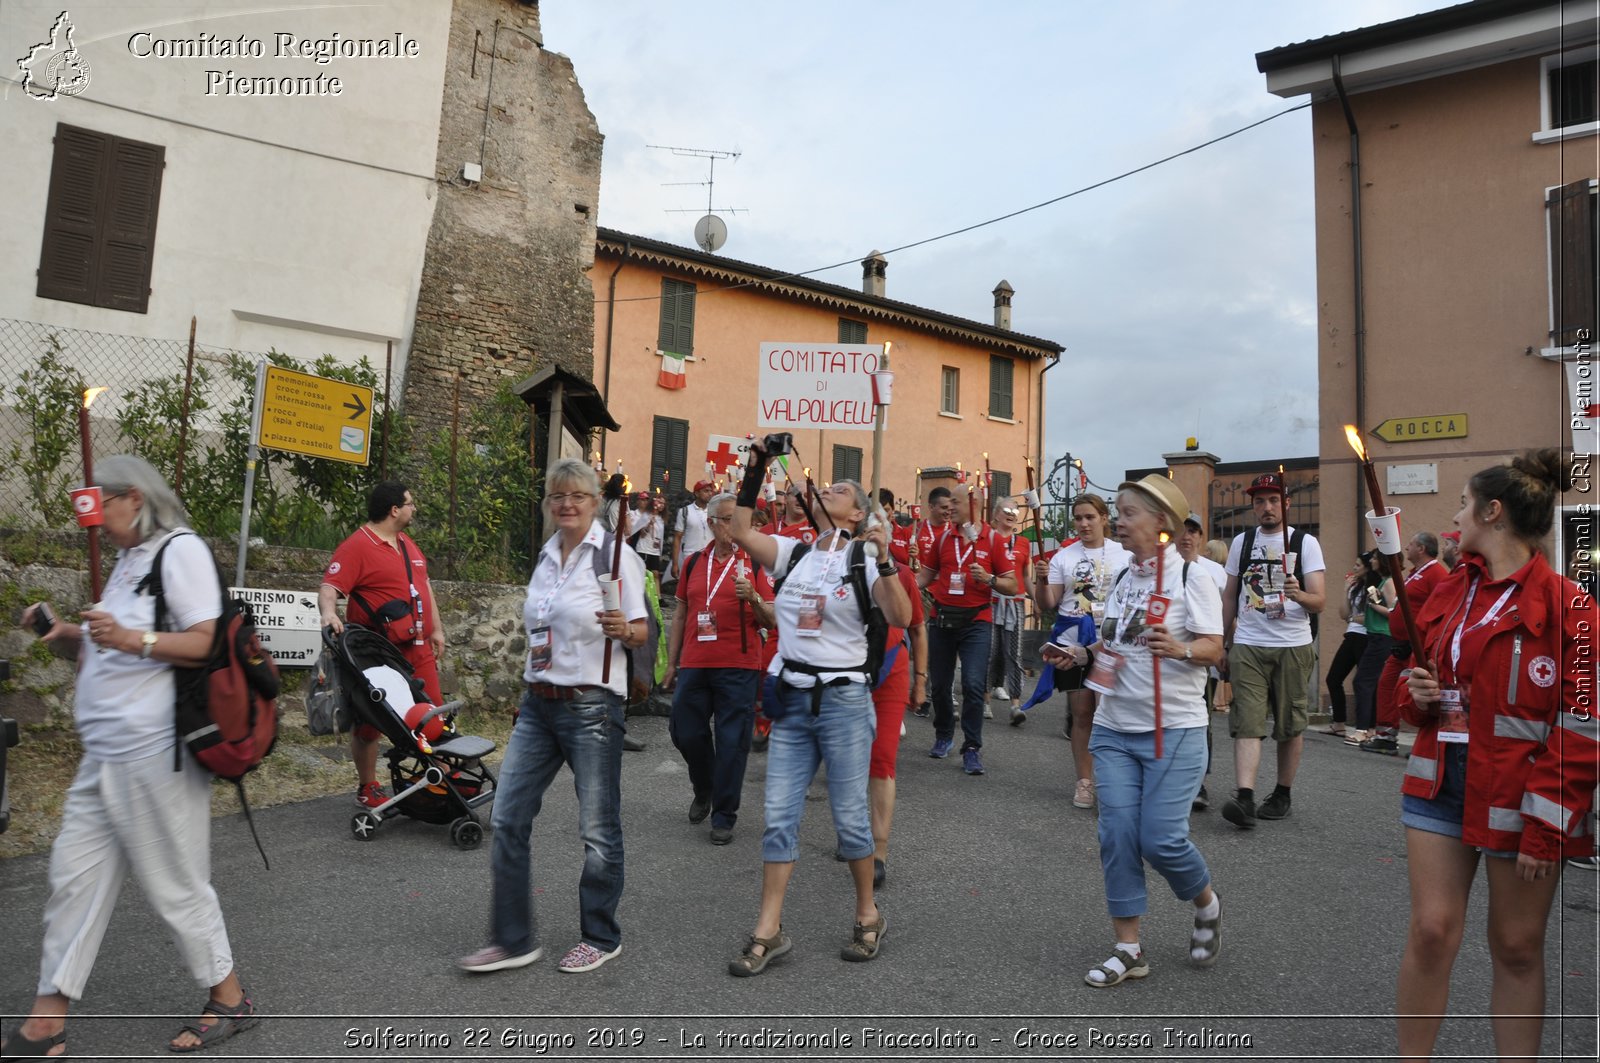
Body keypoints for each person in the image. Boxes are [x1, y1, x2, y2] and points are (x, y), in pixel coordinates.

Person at [4, 455, 259, 1057]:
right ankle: (46, 1021)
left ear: (134, 500)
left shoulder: (182, 551)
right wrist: (69, 634)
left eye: (101, 505)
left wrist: (129, 637)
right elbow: (113, 649)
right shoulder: (128, 560)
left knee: (175, 885)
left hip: (154, 752)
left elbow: (203, 639)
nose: (93, 519)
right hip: (106, 753)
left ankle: (229, 998)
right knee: (73, 880)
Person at [1395, 450, 1597, 1061]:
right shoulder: (1453, 591)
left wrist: (1546, 825)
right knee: (1432, 933)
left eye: (1462, 502)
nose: (1455, 517)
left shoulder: (1574, 608)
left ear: (1493, 511)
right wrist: (1417, 693)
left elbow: (1584, 728)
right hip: (1439, 782)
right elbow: (1417, 678)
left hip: (1525, 797)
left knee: (1515, 945)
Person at [457, 458, 648, 976]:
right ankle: (513, 939)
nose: (566, 504)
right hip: (538, 702)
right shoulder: (545, 556)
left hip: (591, 706)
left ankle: (601, 934)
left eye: (577, 496)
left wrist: (623, 631)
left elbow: (642, 629)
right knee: (508, 817)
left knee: (597, 828)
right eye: (557, 497)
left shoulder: (614, 555)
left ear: (594, 502)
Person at [725, 449, 910, 977]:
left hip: (846, 702)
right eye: (826, 487)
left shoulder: (866, 557)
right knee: (779, 815)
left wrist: (888, 557)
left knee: (850, 818)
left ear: (857, 513)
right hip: (793, 695)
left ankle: (867, 913)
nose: (827, 489)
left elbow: (900, 614)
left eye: (840, 490)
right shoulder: (797, 552)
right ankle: (769, 930)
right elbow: (741, 530)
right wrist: (757, 467)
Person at [1044, 475, 1223, 988]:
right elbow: (1113, 644)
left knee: (1162, 840)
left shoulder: (1191, 577)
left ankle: (1207, 903)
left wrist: (1184, 649)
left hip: (1175, 729)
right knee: (1117, 836)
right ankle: (1128, 948)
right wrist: (1079, 655)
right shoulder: (1124, 578)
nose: (1119, 521)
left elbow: (1214, 646)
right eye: (1117, 512)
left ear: (1160, 522)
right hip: (1113, 727)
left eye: (1128, 513)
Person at [319, 481, 446, 810]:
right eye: (410, 503)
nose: (413, 508)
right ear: (394, 510)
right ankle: (368, 785)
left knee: (432, 715)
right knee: (370, 723)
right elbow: (330, 586)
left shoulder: (408, 545)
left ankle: (440, 781)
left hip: (417, 649)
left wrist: (437, 629)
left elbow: (425, 587)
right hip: (377, 652)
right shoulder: (357, 546)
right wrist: (329, 614)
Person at [663, 492, 774, 845]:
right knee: (685, 730)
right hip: (696, 661)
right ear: (711, 523)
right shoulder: (695, 562)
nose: (734, 526)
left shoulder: (755, 563)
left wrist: (753, 598)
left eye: (739, 519)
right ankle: (704, 786)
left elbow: (772, 620)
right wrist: (671, 662)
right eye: (727, 518)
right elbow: (681, 613)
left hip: (739, 663)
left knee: (732, 742)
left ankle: (724, 814)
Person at [1219, 471, 1325, 830]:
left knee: (1290, 725)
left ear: (1286, 504)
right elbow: (1230, 595)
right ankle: (1245, 797)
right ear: (1252, 507)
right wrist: (1221, 641)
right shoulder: (1242, 543)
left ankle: (1282, 793)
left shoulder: (1305, 543)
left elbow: (1320, 601)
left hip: (1292, 646)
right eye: (1260, 501)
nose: (1267, 507)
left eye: (1273, 500)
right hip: (1249, 643)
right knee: (1247, 720)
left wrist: (1300, 594)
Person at [1028, 493, 1131, 809]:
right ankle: (1085, 783)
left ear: (1103, 518)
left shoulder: (1124, 553)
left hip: (1109, 638)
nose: (1084, 523)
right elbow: (1047, 604)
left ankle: (1114, 783)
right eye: (1078, 518)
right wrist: (1042, 581)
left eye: (1090, 517)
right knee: (1082, 713)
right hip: (1073, 635)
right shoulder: (1063, 557)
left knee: (1110, 713)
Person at [918, 488, 1018, 776]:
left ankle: (972, 747)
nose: (950, 507)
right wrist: (897, 584)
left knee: (974, 685)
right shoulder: (943, 539)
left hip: (977, 622)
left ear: (975, 506)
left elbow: (1011, 586)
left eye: (956, 502)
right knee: (939, 685)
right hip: (942, 619)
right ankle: (944, 734)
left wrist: (989, 579)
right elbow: (924, 577)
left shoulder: (994, 540)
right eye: (948, 503)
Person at [868, 540, 928, 888]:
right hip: (847, 677)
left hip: (890, 675)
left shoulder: (901, 574)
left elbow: (917, 629)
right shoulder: (834, 571)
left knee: (882, 758)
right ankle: (853, 832)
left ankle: (878, 852)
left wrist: (919, 682)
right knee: (848, 761)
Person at [1363, 531, 1448, 756]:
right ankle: (1385, 737)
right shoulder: (1415, 573)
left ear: (1421, 549)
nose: (1406, 548)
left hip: (1417, 646)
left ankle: (1429, 743)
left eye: (1410, 544)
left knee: (1422, 694)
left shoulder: (1435, 573)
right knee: (1387, 684)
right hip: (1401, 644)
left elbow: (1442, 607)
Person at [1177, 512, 1228, 811]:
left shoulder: (1214, 572)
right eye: (1182, 530)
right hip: (1168, 662)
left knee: (1200, 721)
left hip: (1202, 660)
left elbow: (1226, 615)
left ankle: (1198, 783)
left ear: (1200, 537)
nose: (1187, 537)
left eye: (1193, 531)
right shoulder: (1165, 568)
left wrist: (1225, 651)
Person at [909, 486, 956, 717]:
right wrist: (911, 554)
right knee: (926, 642)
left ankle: (942, 692)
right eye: (944, 508)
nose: (949, 512)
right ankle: (923, 693)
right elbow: (908, 563)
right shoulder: (917, 530)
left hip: (947, 593)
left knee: (945, 647)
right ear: (931, 507)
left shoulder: (953, 531)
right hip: (925, 593)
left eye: (951, 508)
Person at [1319, 553, 1373, 739]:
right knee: (1333, 678)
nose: (1355, 567)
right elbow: (1343, 614)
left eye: (1359, 565)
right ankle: (1339, 724)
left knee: (1364, 683)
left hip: (1366, 638)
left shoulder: (1373, 587)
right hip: (1351, 635)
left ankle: (1368, 728)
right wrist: (1345, 589)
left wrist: (1353, 618)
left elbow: (1371, 618)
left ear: (1367, 567)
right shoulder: (1355, 587)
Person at [984, 502, 1030, 714]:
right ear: (996, 514)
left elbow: (1026, 576)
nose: (1011, 515)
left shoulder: (1023, 542)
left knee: (1014, 653)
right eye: (1007, 511)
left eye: (1015, 511)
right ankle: (985, 701)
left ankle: (1015, 704)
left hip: (1016, 603)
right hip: (992, 602)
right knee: (990, 652)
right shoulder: (988, 539)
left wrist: (1037, 598)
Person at [1350, 551, 1397, 746]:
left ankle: (1363, 730)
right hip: (1375, 635)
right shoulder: (1383, 581)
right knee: (1368, 682)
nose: (1372, 561)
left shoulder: (1388, 583)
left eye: (1376, 558)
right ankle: (1368, 729)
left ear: (1383, 561)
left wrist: (1373, 605)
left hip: (1382, 636)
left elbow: (1394, 612)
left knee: (1363, 681)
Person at [672, 479, 717, 579]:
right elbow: (677, 538)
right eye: (706, 491)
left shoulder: (714, 511)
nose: (709, 494)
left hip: (710, 557)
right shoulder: (685, 511)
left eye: (710, 491)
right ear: (696, 493)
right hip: (690, 557)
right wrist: (675, 563)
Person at [627, 491, 666, 574]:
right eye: (660, 502)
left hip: (655, 550)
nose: (662, 505)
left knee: (655, 574)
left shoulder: (661, 519)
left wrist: (660, 552)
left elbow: (660, 537)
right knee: (643, 574)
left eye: (663, 503)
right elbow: (641, 534)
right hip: (643, 549)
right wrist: (649, 524)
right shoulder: (644, 516)